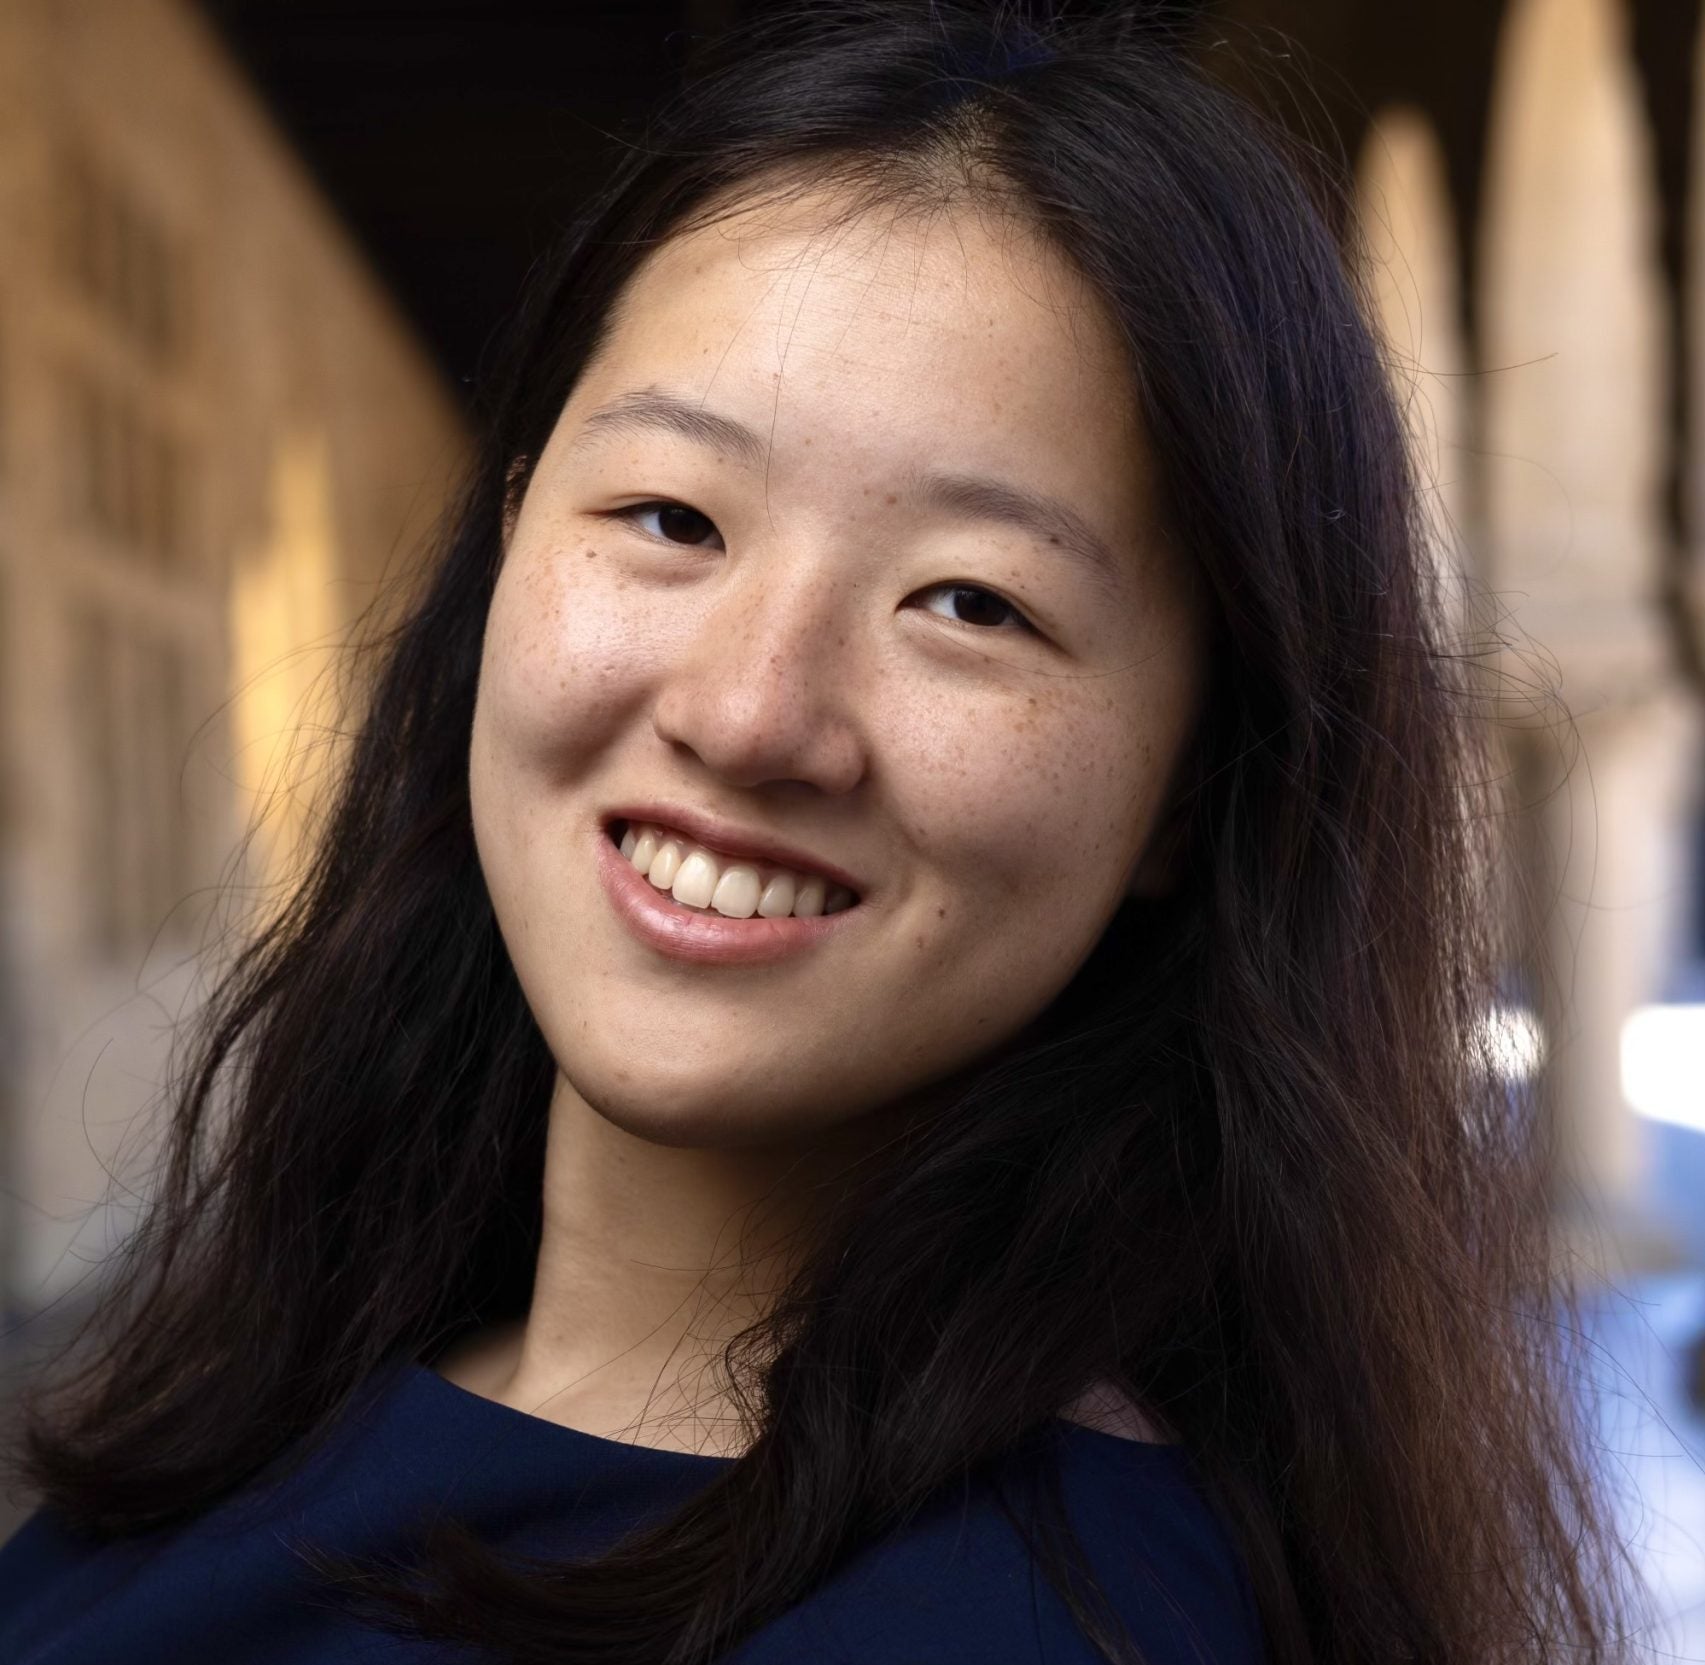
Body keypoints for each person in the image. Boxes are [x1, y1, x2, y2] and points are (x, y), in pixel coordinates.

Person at [0, 2, 1646, 1661]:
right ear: (505, 547)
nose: (747, 710)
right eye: (669, 516)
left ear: (1191, 787)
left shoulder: (1022, 1616)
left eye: (969, 603)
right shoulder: (316, 1370)